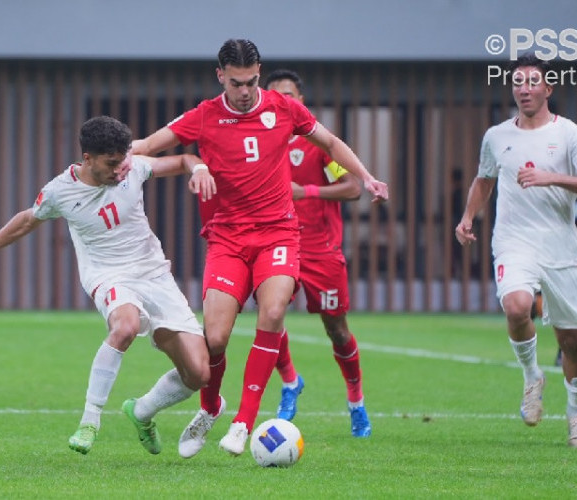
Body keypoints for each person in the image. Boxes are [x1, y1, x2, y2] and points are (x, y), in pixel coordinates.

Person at [131, 39, 388, 457]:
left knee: (272, 313)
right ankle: (211, 409)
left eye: (252, 81)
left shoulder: (284, 108)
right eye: (236, 83)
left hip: (278, 233)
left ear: (259, 72)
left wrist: (368, 176)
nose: (246, 91)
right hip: (228, 238)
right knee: (214, 337)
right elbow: (147, 145)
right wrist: (101, 165)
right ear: (221, 77)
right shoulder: (204, 115)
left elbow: (331, 142)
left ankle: (243, 423)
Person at [0, 116, 217, 456]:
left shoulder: (132, 167)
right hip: (108, 275)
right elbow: (27, 220)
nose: (120, 170)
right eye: (111, 164)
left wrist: (200, 170)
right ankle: (90, 421)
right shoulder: (60, 191)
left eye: (123, 161)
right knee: (125, 327)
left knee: (198, 374)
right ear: (87, 158)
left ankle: (142, 411)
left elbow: (181, 160)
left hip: (154, 274)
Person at [455, 54, 577, 448]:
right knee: (517, 306)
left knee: (570, 339)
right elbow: (485, 180)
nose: (525, 88)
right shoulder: (497, 136)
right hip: (513, 240)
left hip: (559, 243)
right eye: (518, 81)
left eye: (533, 81)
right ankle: (532, 375)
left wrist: (552, 177)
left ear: (548, 89)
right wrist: (467, 217)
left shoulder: (569, 134)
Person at [264, 68, 371, 437]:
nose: (284, 102)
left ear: (301, 101)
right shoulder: (261, 142)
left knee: (337, 330)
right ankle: (290, 382)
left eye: (290, 96)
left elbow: (353, 188)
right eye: (277, 96)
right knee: (270, 316)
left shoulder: (320, 144)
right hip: (279, 245)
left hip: (321, 251)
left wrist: (306, 191)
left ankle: (356, 401)